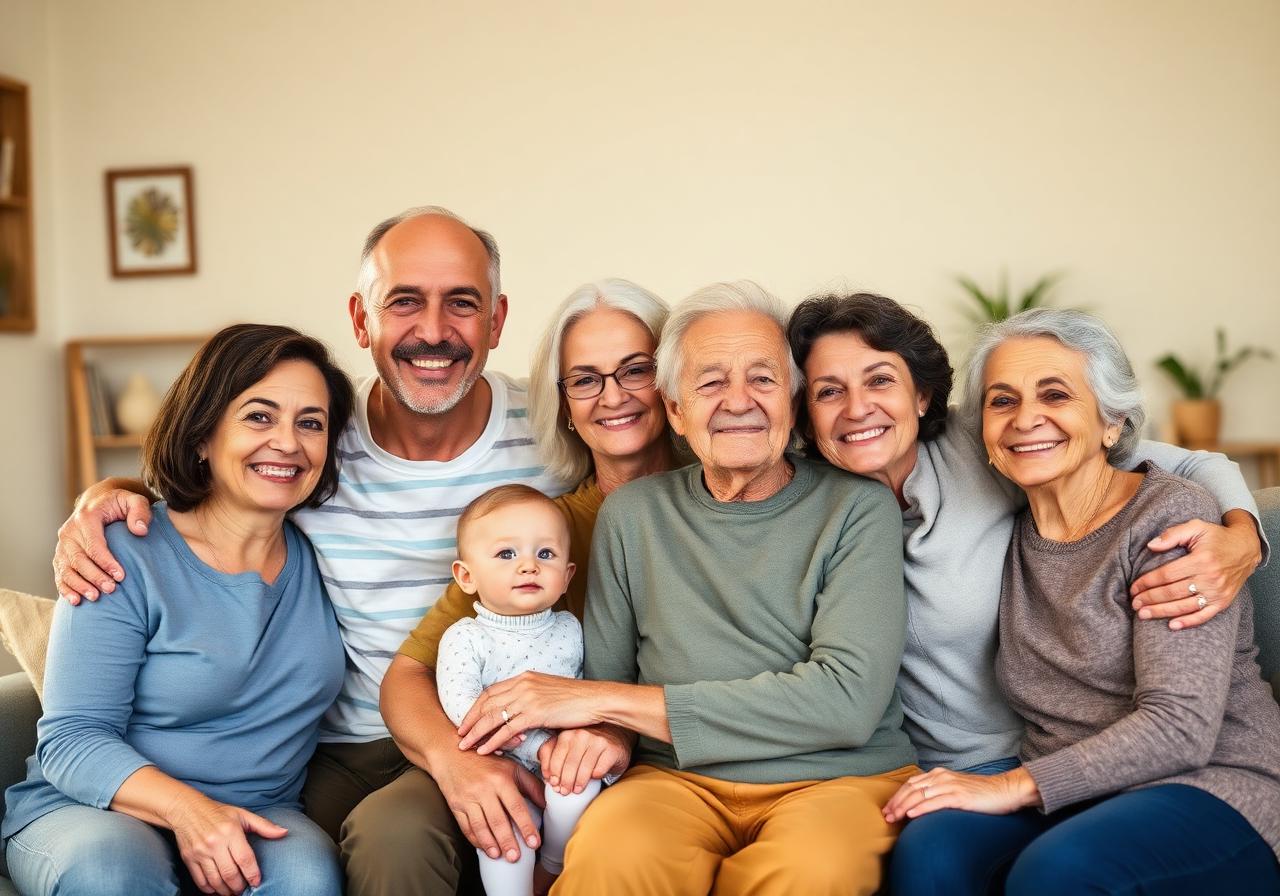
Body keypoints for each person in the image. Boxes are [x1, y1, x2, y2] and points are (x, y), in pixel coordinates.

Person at [49, 207, 573, 896]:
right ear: (360, 319)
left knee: (313, 871)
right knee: (122, 867)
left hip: (487, 739)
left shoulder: (556, 429)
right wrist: (102, 499)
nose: (433, 330)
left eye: (462, 303)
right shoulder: (315, 453)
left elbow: (646, 484)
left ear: (497, 320)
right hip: (342, 753)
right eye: (404, 301)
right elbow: (202, 503)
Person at [786, 293, 1268, 890]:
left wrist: (1244, 535)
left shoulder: (1168, 522)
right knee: (930, 853)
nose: (1025, 419)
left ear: (1113, 421)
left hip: (1205, 779)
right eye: (1003, 401)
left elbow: (1180, 727)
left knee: (1056, 870)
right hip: (1061, 782)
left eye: (1056, 395)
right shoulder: (1020, 521)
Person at [450, 282, 918, 896]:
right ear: (674, 409)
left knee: (810, 874)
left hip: (837, 779)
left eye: (763, 379)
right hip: (673, 780)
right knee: (611, 862)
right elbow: (610, 691)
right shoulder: (632, 515)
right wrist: (602, 736)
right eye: (711, 382)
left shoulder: (857, 508)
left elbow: (845, 702)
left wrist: (602, 705)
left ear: (792, 398)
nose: (738, 401)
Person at [3, 324, 355, 896]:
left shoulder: (331, 556)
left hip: (260, 810)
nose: (288, 442)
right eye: (259, 417)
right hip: (96, 809)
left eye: (310, 423)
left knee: (308, 879)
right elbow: (73, 738)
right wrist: (190, 812)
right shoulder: (120, 552)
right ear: (202, 436)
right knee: (111, 872)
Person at [380, 278, 676, 882]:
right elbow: (407, 675)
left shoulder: (731, 500)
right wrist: (458, 762)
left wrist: (611, 726)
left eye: (636, 370)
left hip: (661, 766)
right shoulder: (543, 537)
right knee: (394, 832)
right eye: (584, 380)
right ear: (564, 403)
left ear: (673, 377)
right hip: (540, 758)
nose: (613, 396)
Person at [437, 484, 606, 896]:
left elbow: (586, 693)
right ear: (466, 576)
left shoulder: (570, 629)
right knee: (503, 846)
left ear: (567, 577)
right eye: (506, 554)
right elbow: (462, 706)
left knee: (579, 790)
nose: (529, 566)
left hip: (561, 759)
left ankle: (552, 865)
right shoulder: (466, 637)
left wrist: (570, 743)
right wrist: (533, 745)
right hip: (496, 762)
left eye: (545, 554)